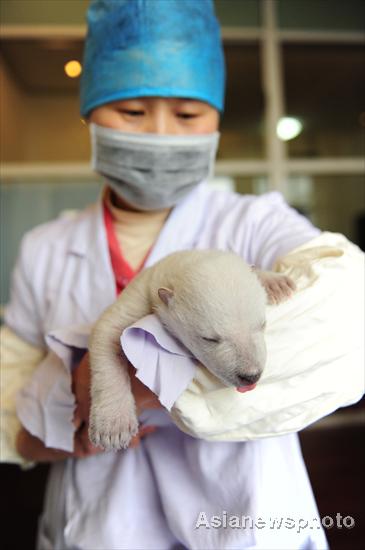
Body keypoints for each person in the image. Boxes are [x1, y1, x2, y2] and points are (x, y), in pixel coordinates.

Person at [2, 1, 329, 548]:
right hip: (98, 521)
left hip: (246, 519)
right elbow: (10, 380)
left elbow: (341, 317)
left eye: (187, 115)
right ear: (89, 115)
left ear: (217, 121)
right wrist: (32, 436)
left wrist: (140, 382)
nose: (159, 134)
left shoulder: (257, 222)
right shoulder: (45, 247)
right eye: (131, 111)